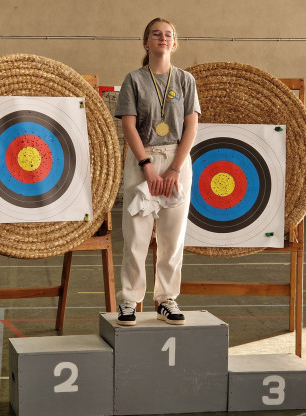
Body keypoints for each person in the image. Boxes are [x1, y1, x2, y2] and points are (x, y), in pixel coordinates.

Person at [115, 17, 201, 326]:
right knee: (136, 236)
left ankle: (166, 299)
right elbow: (128, 125)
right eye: (156, 34)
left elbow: (191, 127)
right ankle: (129, 299)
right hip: (143, 160)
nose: (162, 38)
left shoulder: (185, 80)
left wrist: (175, 168)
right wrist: (147, 167)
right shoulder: (134, 80)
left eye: (168, 34)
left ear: (174, 44)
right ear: (146, 42)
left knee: (172, 237)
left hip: (177, 160)